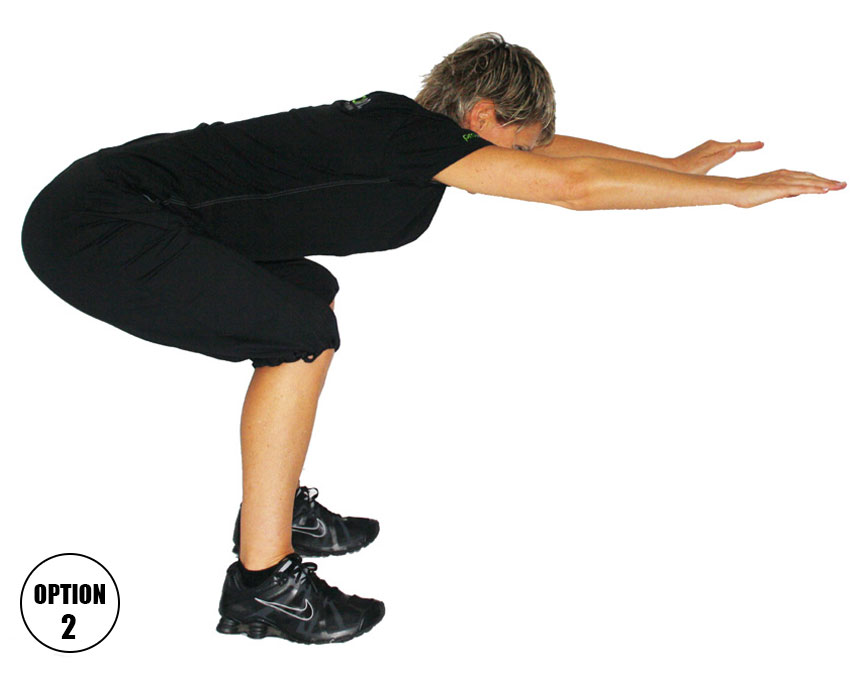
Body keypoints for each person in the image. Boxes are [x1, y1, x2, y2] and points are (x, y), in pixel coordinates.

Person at [20, 32, 845, 645]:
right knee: (300, 332)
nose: (521, 161)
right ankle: (263, 582)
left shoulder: (410, 136)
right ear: (481, 116)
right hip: (98, 224)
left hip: (114, 210)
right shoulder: (405, 136)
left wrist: (674, 164)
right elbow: (572, 184)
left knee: (305, 296)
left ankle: (275, 510)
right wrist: (733, 193)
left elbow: (559, 156)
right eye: (516, 141)